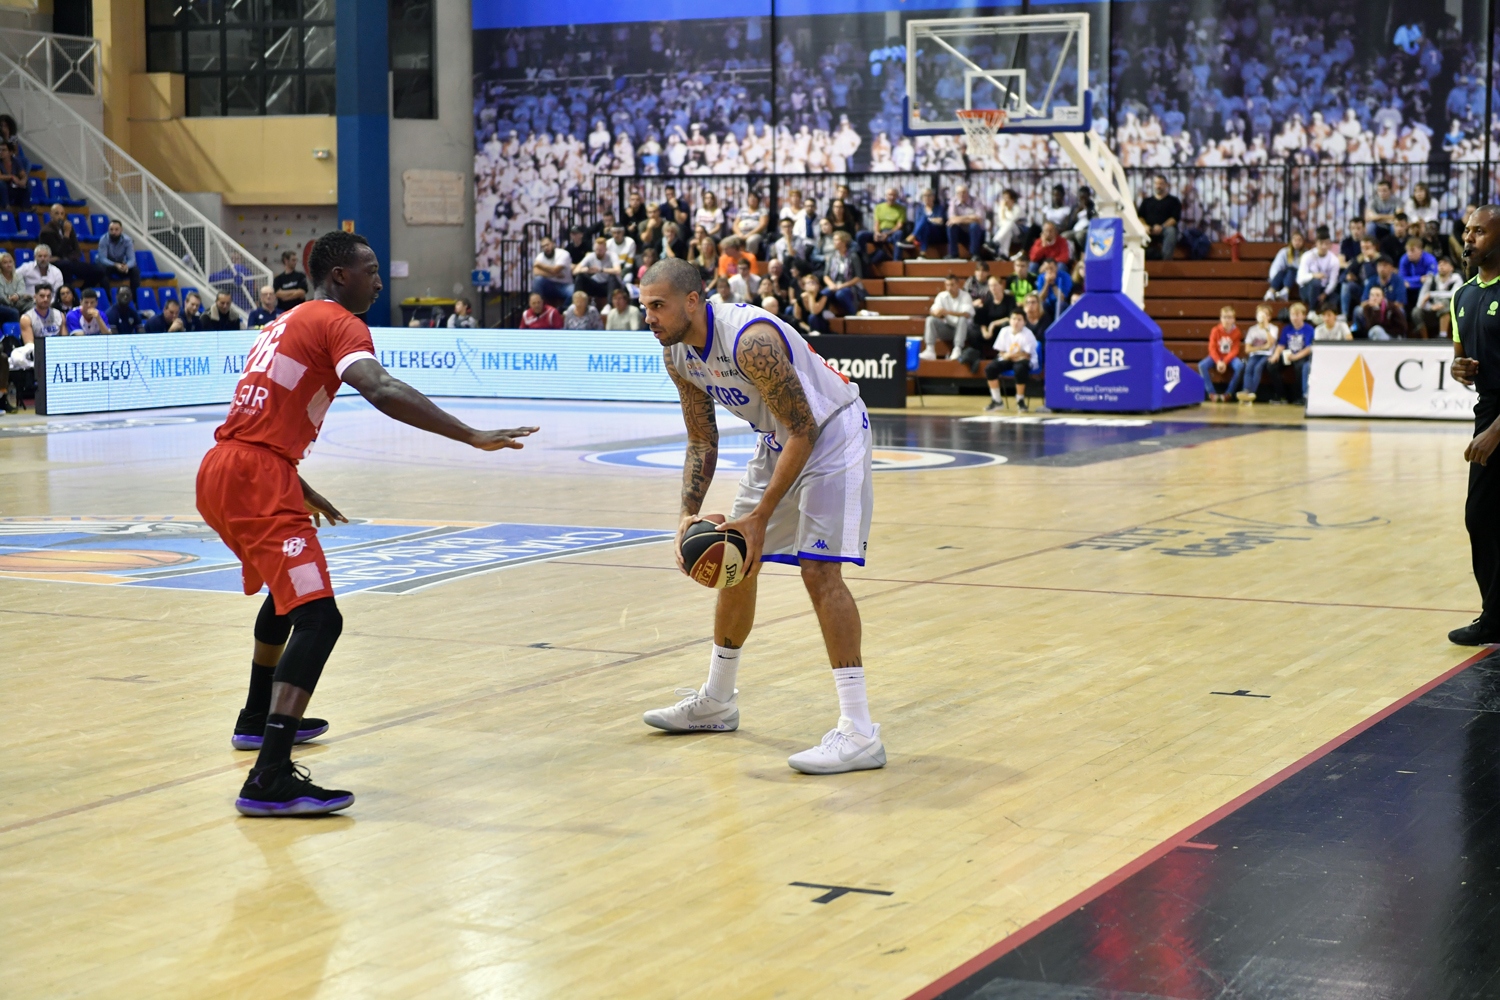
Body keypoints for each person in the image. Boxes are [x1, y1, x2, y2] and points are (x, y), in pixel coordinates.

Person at [197, 229, 538, 816]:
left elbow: (258, 415)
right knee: (319, 617)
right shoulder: (338, 322)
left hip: (226, 469)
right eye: (370, 270)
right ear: (338, 277)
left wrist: (294, 482)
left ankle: (256, 719)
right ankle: (269, 776)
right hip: (256, 475)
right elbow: (379, 387)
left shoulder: (283, 323)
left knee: (286, 599)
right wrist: (472, 434)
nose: (380, 282)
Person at [638, 256, 884, 774]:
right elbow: (701, 438)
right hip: (780, 439)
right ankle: (718, 701)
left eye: (658, 306)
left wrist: (761, 515)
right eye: (645, 307)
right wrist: (688, 513)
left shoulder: (750, 340)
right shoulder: (678, 356)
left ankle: (860, 731)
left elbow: (806, 430)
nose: (649, 317)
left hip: (832, 434)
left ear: (692, 301)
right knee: (735, 553)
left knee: (820, 571)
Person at [1448, 204, 1500, 643]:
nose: (1469, 239)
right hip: (1488, 416)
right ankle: (1495, 616)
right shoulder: (1461, 295)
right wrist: (1458, 369)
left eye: (1479, 232)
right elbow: (1458, 360)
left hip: (1497, 426)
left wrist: (1498, 430)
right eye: (1467, 231)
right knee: (1480, 517)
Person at [983, 310, 1040, 412]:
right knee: (990, 368)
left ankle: (1020, 400)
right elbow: (1001, 351)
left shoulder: (1028, 334)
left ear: (1024, 322)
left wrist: (1010, 355)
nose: (1016, 322)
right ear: (1009, 320)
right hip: (1008, 358)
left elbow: (1027, 354)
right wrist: (1007, 355)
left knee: (1019, 368)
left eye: (1019, 319)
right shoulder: (1004, 331)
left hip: (1025, 359)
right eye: (1014, 319)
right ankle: (997, 400)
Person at [38, 203, 105, 288]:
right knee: (66, 267)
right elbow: (58, 252)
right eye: (57, 213)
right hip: (54, 263)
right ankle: (68, 292)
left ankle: (83, 290)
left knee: (99, 270)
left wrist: (70, 257)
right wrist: (66, 235)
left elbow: (77, 249)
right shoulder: (47, 231)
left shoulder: (68, 228)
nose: (60, 216)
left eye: (62, 214)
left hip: (70, 261)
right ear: (51, 215)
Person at [1265, 301, 1315, 402]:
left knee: (1300, 367)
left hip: (1301, 355)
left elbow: (1309, 348)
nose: (1294, 318)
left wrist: (1296, 356)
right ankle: (1280, 395)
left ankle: (1299, 396)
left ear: (1303, 316)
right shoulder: (1287, 329)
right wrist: (1276, 354)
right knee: (1271, 365)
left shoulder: (1309, 329)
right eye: (1292, 315)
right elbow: (1281, 345)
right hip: (1288, 355)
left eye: (1297, 315)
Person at [921, 273, 973, 360]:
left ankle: (957, 348)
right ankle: (930, 349)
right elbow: (933, 311)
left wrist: (946, 312)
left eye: (952, 285)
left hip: (964, 330)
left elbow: (967, 314)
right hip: (948, 329)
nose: (949, 288)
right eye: (947, 285)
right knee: (930, 319)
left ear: (958, 285)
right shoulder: (942, 296)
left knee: (962, 319)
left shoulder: (965, 296)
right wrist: (936, 313)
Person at [1198, 305, 1244, 402]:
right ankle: (1211, 393)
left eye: (1230, 317)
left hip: (1229, 358)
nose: (1227, 320)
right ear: (1220, 318)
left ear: (1234, 319)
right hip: (1216, 357)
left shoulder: (1237, 332)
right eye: (1224, 317)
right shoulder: (1215, 330)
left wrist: (1225, 361)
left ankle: (1228, 394)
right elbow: (1212, 348)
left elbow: (1235, 350)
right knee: (1202, 365)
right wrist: (1218, 361)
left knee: (1239, 366)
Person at [1237, 303, 1278, 403]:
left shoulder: (1273, 328)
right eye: (1260, 314)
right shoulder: (1252, 330)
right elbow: (1247, 349)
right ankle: (1246, 390)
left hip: (1267, 354)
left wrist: (1266, 326)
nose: (1262, 316)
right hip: (1255, 355)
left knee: (1258, 368)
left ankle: (1251, 393)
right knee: (1249, 367)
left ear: (1269, 317)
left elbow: (1271, 343)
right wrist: (1262, 347)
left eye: (1265, 314)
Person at [1413, 257, 1462, 337]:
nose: (1441, 266)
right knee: (1416, 311)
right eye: (1439, 264)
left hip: (1451, 310)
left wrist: (1431, 294)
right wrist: (1430, 307)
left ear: (1451, 268)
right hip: (1432, 310)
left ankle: (1443, 336)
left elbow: (1453, 294)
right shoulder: (1431, 279)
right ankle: (1425, 339)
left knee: (1445, 302)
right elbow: (1420, 301)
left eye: (1445, 264)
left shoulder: (1456, 278)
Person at [1296, 227, 1340, 312]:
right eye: (1321, 243)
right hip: (1307, 288)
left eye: (1326, 244)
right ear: (1316, 243)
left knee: (1336, 295)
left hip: (1324, 289)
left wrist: (1325, 293)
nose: (1324, 246)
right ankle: (1311, 311)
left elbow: (1333, 281)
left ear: (1330, 245)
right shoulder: (1307, 256)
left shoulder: (1334, 260)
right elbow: (1300, 279)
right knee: (1316, 282)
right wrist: (1313, 275)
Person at [1138, 175, 1181, 261]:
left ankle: (1166, 262)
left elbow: (1174, 218)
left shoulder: (1174, 201)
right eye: (1156, 183)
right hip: (1148, 229)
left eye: (1161, 184)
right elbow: (1140, 217)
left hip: (1165, 230)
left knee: (1171, 231)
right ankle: (1139, 259)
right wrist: (1145, 226)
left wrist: (1162, 227)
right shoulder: (1147, 201)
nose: (1158, 186)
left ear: (1166, 185)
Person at [821, 231, 864, 315]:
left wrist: (842, 286)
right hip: (834, 284)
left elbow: (858, 277)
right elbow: (825, 276)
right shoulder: (832, 256)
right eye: (834, 240)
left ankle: (853, 314)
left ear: (844, 242)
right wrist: (831, 285)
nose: (834, 242)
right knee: (823, 294)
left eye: (837, 240)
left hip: (849, 285)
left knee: (840, 294)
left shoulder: (853, 256)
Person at [1340, 237, 1382, 320]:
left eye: (1368, 248)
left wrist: (1369, 261)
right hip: (1361, 290)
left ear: (1374, 247)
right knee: (1346, 285)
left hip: (1377, 291)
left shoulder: (1380, 259)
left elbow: (1373, 276)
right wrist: (1347, 277)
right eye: (1363, 248)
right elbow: (1342, 277)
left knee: (1369, 281)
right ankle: (1344, 315)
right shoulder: (1359, 259)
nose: (1365, 251)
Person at [862, 187, 906, 264]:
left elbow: (899, 225)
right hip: (881, 231)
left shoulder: (901, 208)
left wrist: (887, 234)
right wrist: (877, 233)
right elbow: (876, 222)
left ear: (897, 197)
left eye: (894, 195)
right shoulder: (879, 207)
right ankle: (863, 258)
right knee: (861, 235)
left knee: (899, 233)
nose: (892, 197)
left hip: (892, 233)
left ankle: (896, 261)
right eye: (890, 195)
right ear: (886, 196)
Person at [573, 236, 622, 304]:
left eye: (600, 250)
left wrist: (601, 270)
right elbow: (575, 271)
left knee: (612, 277)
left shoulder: (612, 255)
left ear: (605, 249)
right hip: (595, 285)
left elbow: (618, 271)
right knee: (580, 277)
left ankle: (610, 304)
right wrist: (586, 270)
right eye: (596, 250)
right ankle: (576, 302)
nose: (598, 252)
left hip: (608, 285)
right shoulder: (591, 256)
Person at [98, 219, 140, 295]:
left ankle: (135, 298)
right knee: (102, 271)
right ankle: (108, 299)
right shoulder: (103, 240)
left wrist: (127, 266)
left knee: (135, 271)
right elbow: (102, 258)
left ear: (121, 230)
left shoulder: (127, 240)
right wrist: (115, 265)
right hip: (108, 264)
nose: (114, 232)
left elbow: (132, 259)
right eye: (111, 229)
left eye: (116, 229)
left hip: (121, 264)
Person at [530, 235, 574, 305]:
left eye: (547, 245)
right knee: (538, 280)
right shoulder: (540, 256)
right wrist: (553, 275)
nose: (546, 248)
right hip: (549, 285)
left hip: (565, 285)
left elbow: (555, 270)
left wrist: (540, 265)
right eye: (543, 246)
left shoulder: (563, 254)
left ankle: (562, 311)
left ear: (553, 244)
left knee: (573, 292)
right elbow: (536, 272)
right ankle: (538, 308)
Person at [946, 183, 985, 259]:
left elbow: (979, 219)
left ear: (968, 193)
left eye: (964, 192)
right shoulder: (953, 201)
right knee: (951, 226)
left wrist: (959, 219)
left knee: (974, 226)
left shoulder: (976, 201)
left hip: (975, 233)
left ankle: (974, 254)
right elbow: (951, 219)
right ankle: (953, 254)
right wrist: (970, 217)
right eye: (959, 193)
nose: (962, 194)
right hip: (960, 233)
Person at [1399, 237, 1438, 311]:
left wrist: (1411, 283)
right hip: (1411, 289)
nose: (1409, 253)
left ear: (1420, 250)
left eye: (1412, 250)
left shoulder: (1430, 260)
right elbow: (1402, 278)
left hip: (1426, 289)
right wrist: (1419, 279)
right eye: (1407, 251)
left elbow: (1431, 280)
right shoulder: (1404, 259)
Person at [1265, 231, 1306, 301]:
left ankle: (1285, 291)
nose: (1297, 242)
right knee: (1281, 272)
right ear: (1291, 241)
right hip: (1282, 277)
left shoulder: (1306, 254)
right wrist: (1274, 278)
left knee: (1292, 270)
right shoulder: (1284, 252)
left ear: (1303, 242)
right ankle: (1270, 292)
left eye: (1299, 240)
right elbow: (1276, 267)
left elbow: (1305, 270)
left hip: (1297, 277)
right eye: (1295, 240)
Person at [911, 188, 946, 256]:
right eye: (924, 196)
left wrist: (928, 220)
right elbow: (917, 223)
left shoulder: (939, 208)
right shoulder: (919, 209)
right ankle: (923, 252)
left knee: (924, 220)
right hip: (921, 234)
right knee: (925, 226)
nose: (927, 197)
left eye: (929, 195)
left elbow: (940, 221)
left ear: (933, 197)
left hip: (935, 234)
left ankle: (912, 237)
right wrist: (933, 220)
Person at [733, 191, 769, 256]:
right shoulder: (742, 210)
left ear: (758, 200)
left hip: (755, 234)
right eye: (750, 197)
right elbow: (735, 224)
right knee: (727, 242)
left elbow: (762, 225)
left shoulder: (762, 210)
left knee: (750, 241)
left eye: (754, 198)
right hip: (741, 233)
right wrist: (739, 234)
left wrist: (749, 234)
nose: (752, 199)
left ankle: (749, 261)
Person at [991, 188, 1022, 259]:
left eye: (1006, 198)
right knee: (1008, 232)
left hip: (1018, 234)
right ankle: (1004, 254)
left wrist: (1002, 209)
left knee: (1009, 224)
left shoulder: (1017, 209)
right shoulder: (1002, 208)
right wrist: (1002, 209)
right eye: (1003, 198)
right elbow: (1001, 223)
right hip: (1007, 232)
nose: (1004, 200)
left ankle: (995, 242)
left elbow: (1010, 221)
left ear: (1012, 200)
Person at [0, 251, 26, 325]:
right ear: (0, 265)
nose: (8, 265)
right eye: (5, 263)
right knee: (14, 312)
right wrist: (11, 300)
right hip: (3, 304)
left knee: (32, 306)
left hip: (17, 302)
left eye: (10, 262)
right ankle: (16, 335)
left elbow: (22, 290)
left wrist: (17, 295)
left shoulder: (18, 276)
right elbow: (1, 296)